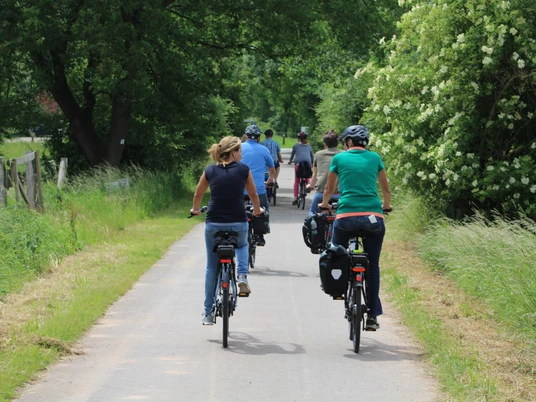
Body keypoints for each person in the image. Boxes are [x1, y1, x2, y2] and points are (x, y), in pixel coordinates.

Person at [319, 125, 392, 331]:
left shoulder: (339, 159)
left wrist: (325, 204)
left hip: (346, 218)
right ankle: (372, 314)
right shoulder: (375, 158)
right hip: (373, 218)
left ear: (349, 142)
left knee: (337, 253)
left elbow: (329, 189)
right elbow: (386, 189)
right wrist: (386, 206)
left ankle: (340, 288)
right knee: (373, 264)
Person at [190, 136, 264, 325]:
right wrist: (257, 211)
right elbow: (253, 194)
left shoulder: (210, 170)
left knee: (211, 267)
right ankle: (241, 275)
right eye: (240, 151)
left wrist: (196, 210)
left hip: (214, 223)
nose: (242, 154)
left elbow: (198, 193)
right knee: (242, 243)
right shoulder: (243, 170)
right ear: (233, 152)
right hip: (238, 221)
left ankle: (207, 313)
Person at [241, 124, 276, 246]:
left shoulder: (238, 148)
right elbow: (272, 170)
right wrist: (270, 180)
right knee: (263, 210)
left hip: (240, 189)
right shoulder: (264, 150)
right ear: (259, 138)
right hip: (258, 190)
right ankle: (260, 235)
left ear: (246, 136)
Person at [307, 130, 341, 215]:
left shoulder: (318, 154)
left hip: (321, 192)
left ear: (325, 144)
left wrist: (310, 186)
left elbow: (315, 174)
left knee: (312, 213)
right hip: (339, 193)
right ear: (337, 143)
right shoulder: (344, 154)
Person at [288, 131, 314, 205]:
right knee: (307, 176)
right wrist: (312, 163)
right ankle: (308, 186)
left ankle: (296, 197)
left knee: (297, 181)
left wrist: (290, 161)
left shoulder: (295, 146)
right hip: (307, 164)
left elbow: (292, 155)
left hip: (298, 165)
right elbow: (312, 156)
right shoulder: (309, 147)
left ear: (299, 139)